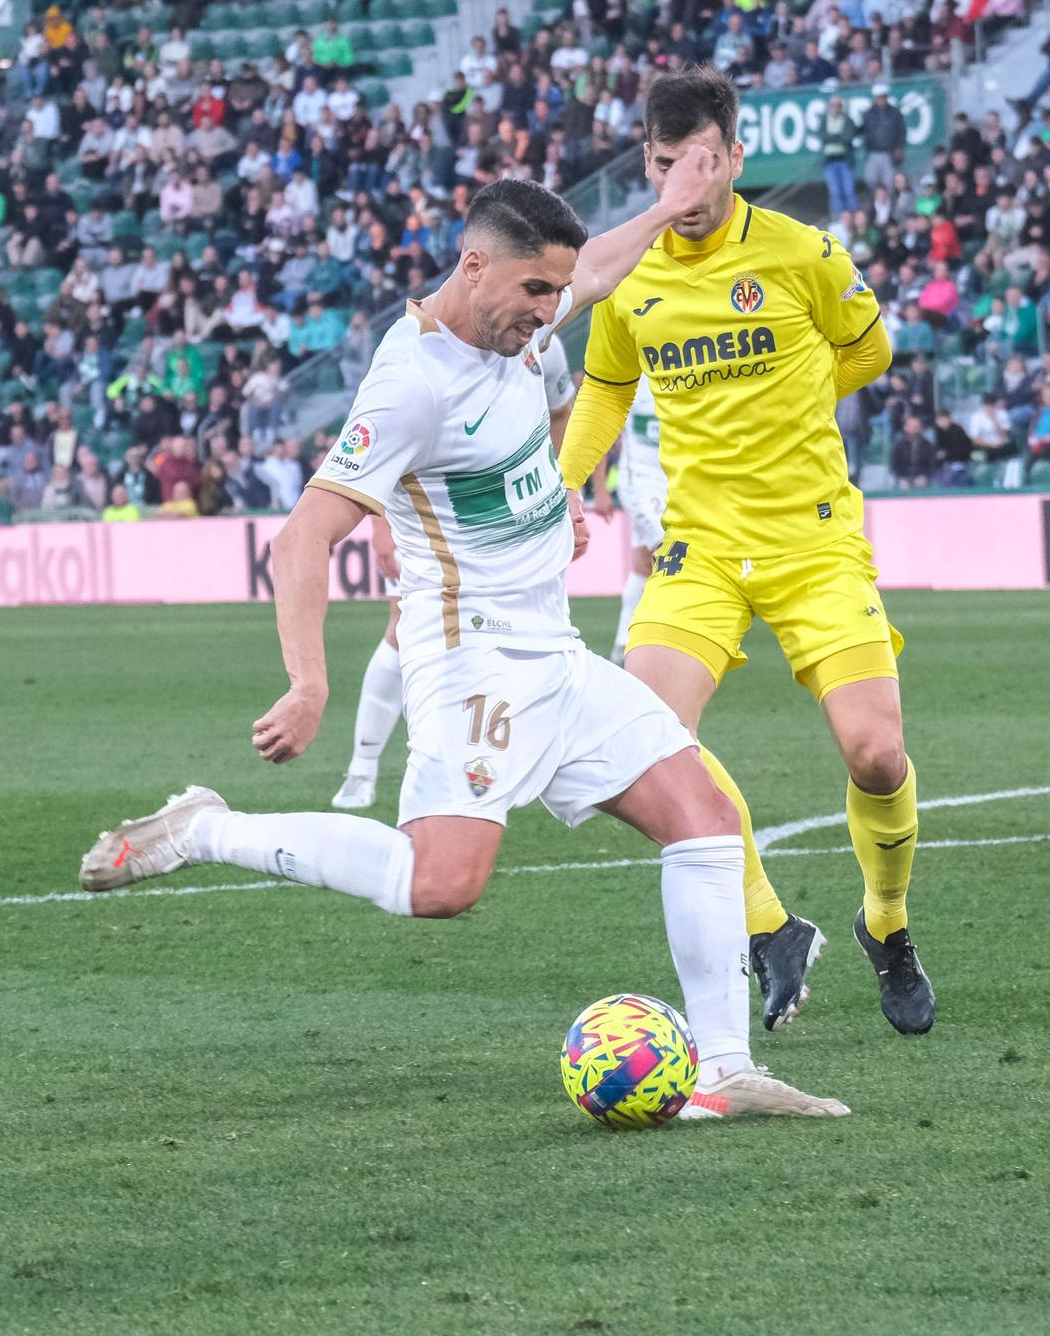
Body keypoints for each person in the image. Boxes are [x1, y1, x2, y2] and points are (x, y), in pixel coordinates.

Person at [81, 175, 846, 1122]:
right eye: (533, 294)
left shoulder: (523, 318)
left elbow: (597, 273)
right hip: (470, 657)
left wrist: (564, 483)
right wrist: (308, 681)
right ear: (473, 266)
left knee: (706, 820)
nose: (547, 314)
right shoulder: (413, 383)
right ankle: (206, 828)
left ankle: (726, 1070)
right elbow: (300, 539)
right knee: (441, 884)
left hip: (554, 652)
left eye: (552, 296)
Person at [558, 68, 932, 1037]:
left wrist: (800, 401)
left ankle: (885, 925)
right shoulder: (630, 273)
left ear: (730, 156)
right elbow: (604, 386)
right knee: (641, 735)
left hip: (811, 537)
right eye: (658, 163)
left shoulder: (802, 253)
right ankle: (771, 928)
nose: (675, 181)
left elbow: (869, 349)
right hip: (701, 545)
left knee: (876, 753)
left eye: (694, 160)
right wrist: (562, 485)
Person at [332, 321, 577, 812]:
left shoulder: (543, 346)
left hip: (513, 524)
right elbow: (374, 443)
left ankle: (507, 760)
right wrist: (380, 524)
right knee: (399, 628)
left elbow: (560, 413)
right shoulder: (422, 360)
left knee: (516, 637)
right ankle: (363, 767)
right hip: (435, 518)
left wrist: (564, 486)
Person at [590, 378, 668, 665]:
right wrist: (600, 489)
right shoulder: (634, 376)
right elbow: (604, 429)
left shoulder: (686, 367)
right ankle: (665, 646)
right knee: (672, 553)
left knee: (642, 565)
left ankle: (622, 645)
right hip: (640, 484)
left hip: (677, 481)